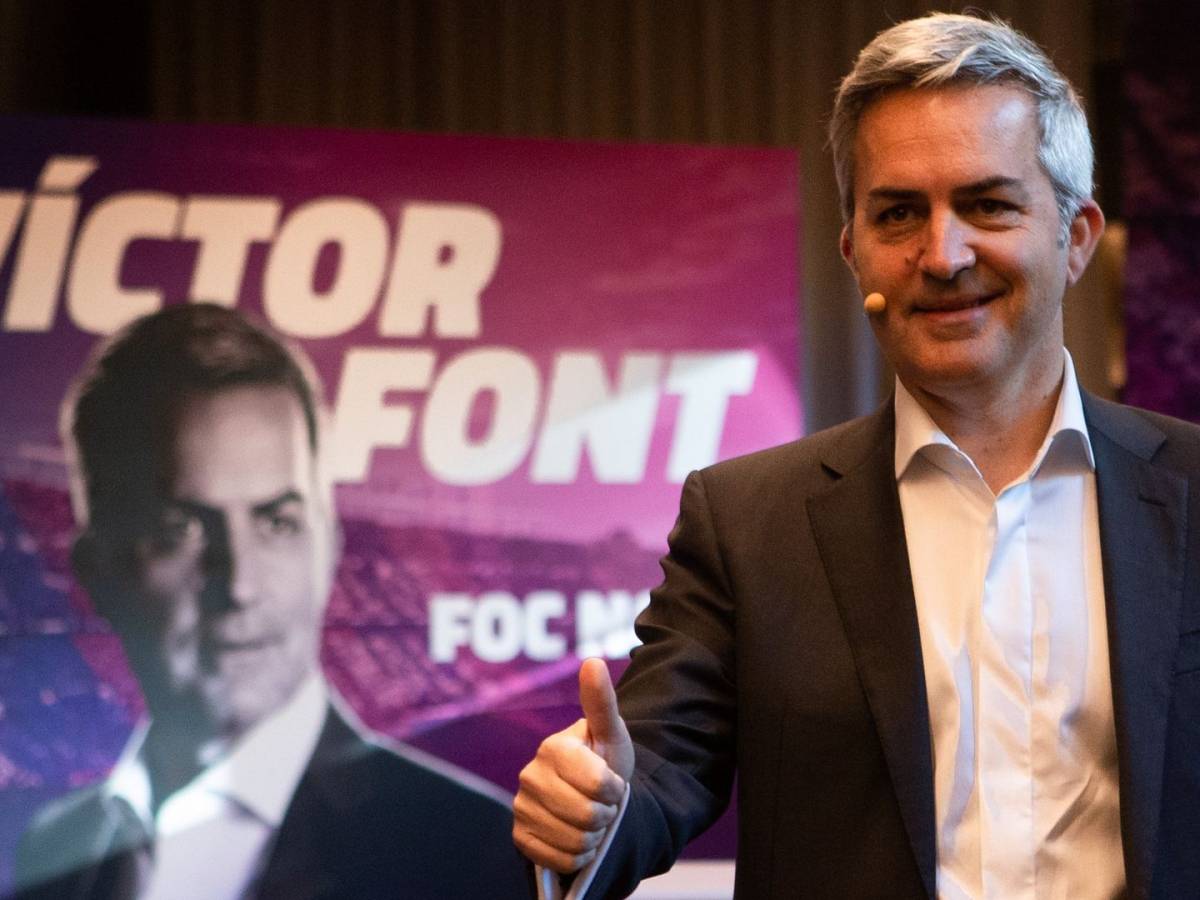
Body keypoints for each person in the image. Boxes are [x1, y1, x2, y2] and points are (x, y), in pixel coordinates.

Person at [512, 12, 1200, 900]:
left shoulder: (1190, 490)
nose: (942, 255)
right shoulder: (748, 524)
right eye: (899, 213)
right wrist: (592, 811)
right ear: (854, 252)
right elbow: (651, 771)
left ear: (1075, 238)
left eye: (988, 205)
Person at [14, 303, 529, 899]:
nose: (239, 585)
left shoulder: (470, 849)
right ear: (95, 569)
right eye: (181, 530)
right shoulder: (52, 850)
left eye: (277, 523)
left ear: (330, 542)